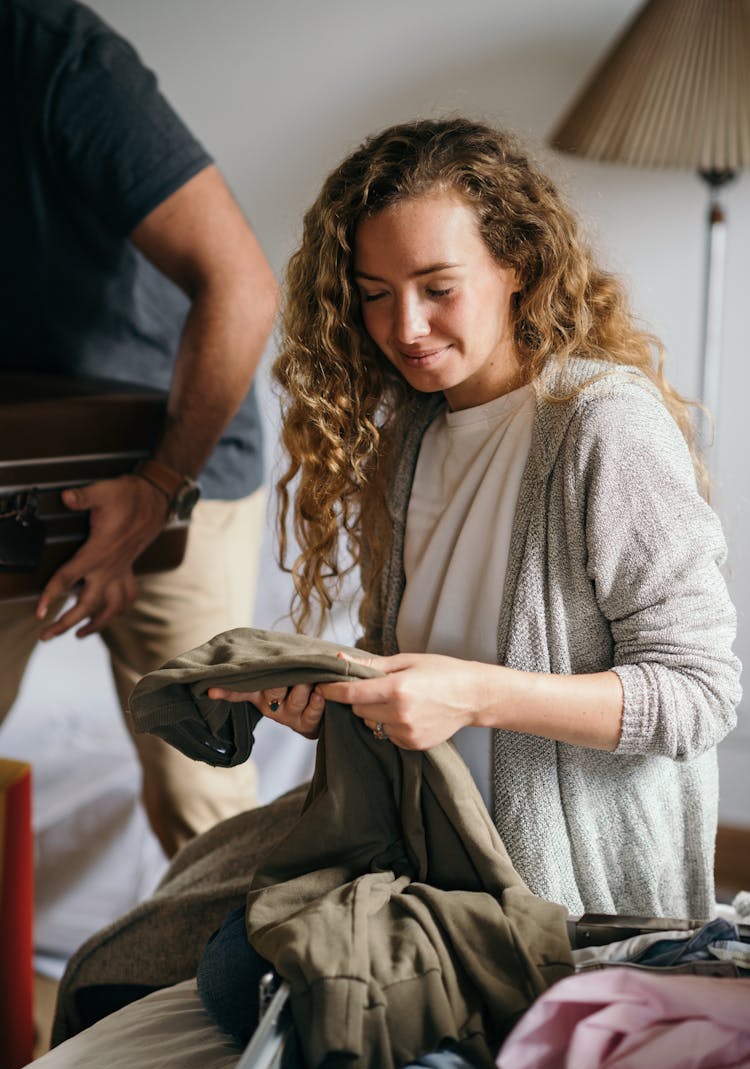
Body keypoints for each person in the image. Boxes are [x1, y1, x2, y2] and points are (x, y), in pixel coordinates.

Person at [209, 116, 741, 919]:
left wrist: (478, 695)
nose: (406, 329)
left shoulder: (604, 426)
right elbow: (410, 667)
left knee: (254, 976)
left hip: (562, 895)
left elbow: (700, 693)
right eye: (376, 296)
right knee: (184, 942)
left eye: (439, 287)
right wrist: (338, 705)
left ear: (517, 265)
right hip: (424, 849)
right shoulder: (411, 436)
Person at [0, 0, 278, 857]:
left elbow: (244, 287)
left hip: (178, 462)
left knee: (204, 797)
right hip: (16, 469)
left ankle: (252, 990)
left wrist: (156, 494)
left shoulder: (60, 56)